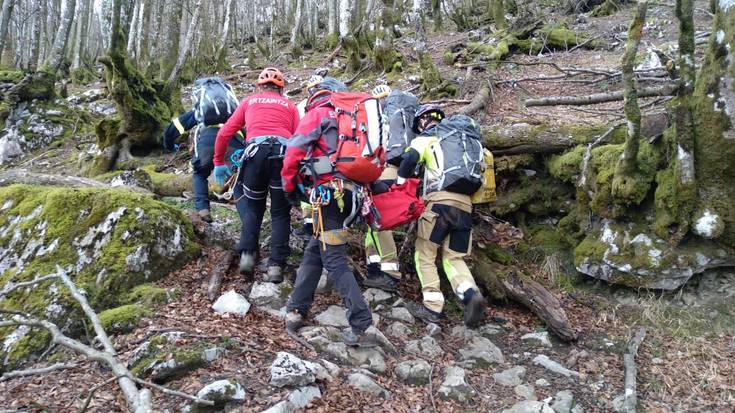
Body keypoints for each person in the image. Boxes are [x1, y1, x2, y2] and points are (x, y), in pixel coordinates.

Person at [281, 77, 377, 347]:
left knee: (334, 259)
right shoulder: (357, 121)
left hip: (329, 195)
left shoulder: (319, 114)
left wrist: (290, 187)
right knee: (316, 248)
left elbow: (294, 151)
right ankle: (297, 308)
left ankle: (362, 324)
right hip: (354, 196)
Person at [396, 104, 488, 328]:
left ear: (424, 121)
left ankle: (432, 306)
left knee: (425, 254)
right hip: (465, 207)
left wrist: (400, 181)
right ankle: (469, 294)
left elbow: (409, 159)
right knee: (453, 258)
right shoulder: (472, 143)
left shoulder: (430, 136)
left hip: (438, 204)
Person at [213, 67, 300, 282]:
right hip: (282, 156)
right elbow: (299, 137)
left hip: (255, 155)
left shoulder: (250, 101)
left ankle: (248, 257)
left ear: (260, 86)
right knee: (280, 213)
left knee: (254, 207)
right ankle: (276, 266)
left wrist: (218, 162)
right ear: (281, 89)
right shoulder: (290, 106)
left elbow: (225, 132)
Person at [163, 110, 244, 223]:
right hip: (233, 142)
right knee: (238, 178)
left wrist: (169, 145)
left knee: (200, 174)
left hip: (207, 142)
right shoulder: (234, 109)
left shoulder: (201, 110)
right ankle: (246, 216)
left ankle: (203, 211)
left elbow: (173, 127)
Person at [362, 84, 404, 292]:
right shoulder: (402, 116)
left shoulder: (376, 118)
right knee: (373, 222)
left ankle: (389, 272)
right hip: (398, 173)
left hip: (381, 173)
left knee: (379, 222)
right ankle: (374, 267)